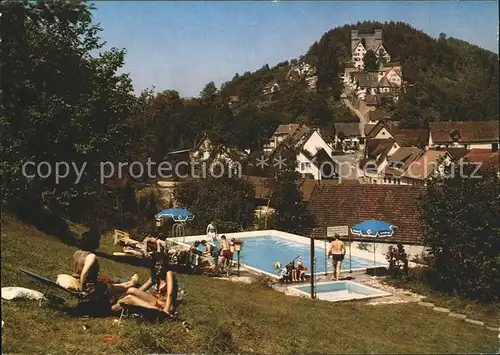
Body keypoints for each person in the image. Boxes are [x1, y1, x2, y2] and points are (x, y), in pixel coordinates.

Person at [112, 252, 179, 315]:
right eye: (158, 265)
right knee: (131, 291)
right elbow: (142, 288)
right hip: (157, 301)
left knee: (130, 295)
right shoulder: (156, 275)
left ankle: (113, 308)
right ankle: (115, 304)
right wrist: (127, 295)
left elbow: (170, 294)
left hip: (166, 305)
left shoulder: (169, 273)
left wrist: (166, 311)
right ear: (153, 265)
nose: (160, 268)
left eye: (163, 265)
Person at [71, 249, 138, 312]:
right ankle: (130, 284)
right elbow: (84, 273)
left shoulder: (77, 253)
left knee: (109, 284)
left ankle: (129, 283)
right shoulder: (91, 256)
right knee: (112, 288)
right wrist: (82, 290)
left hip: (81, 281)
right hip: (90, 287)